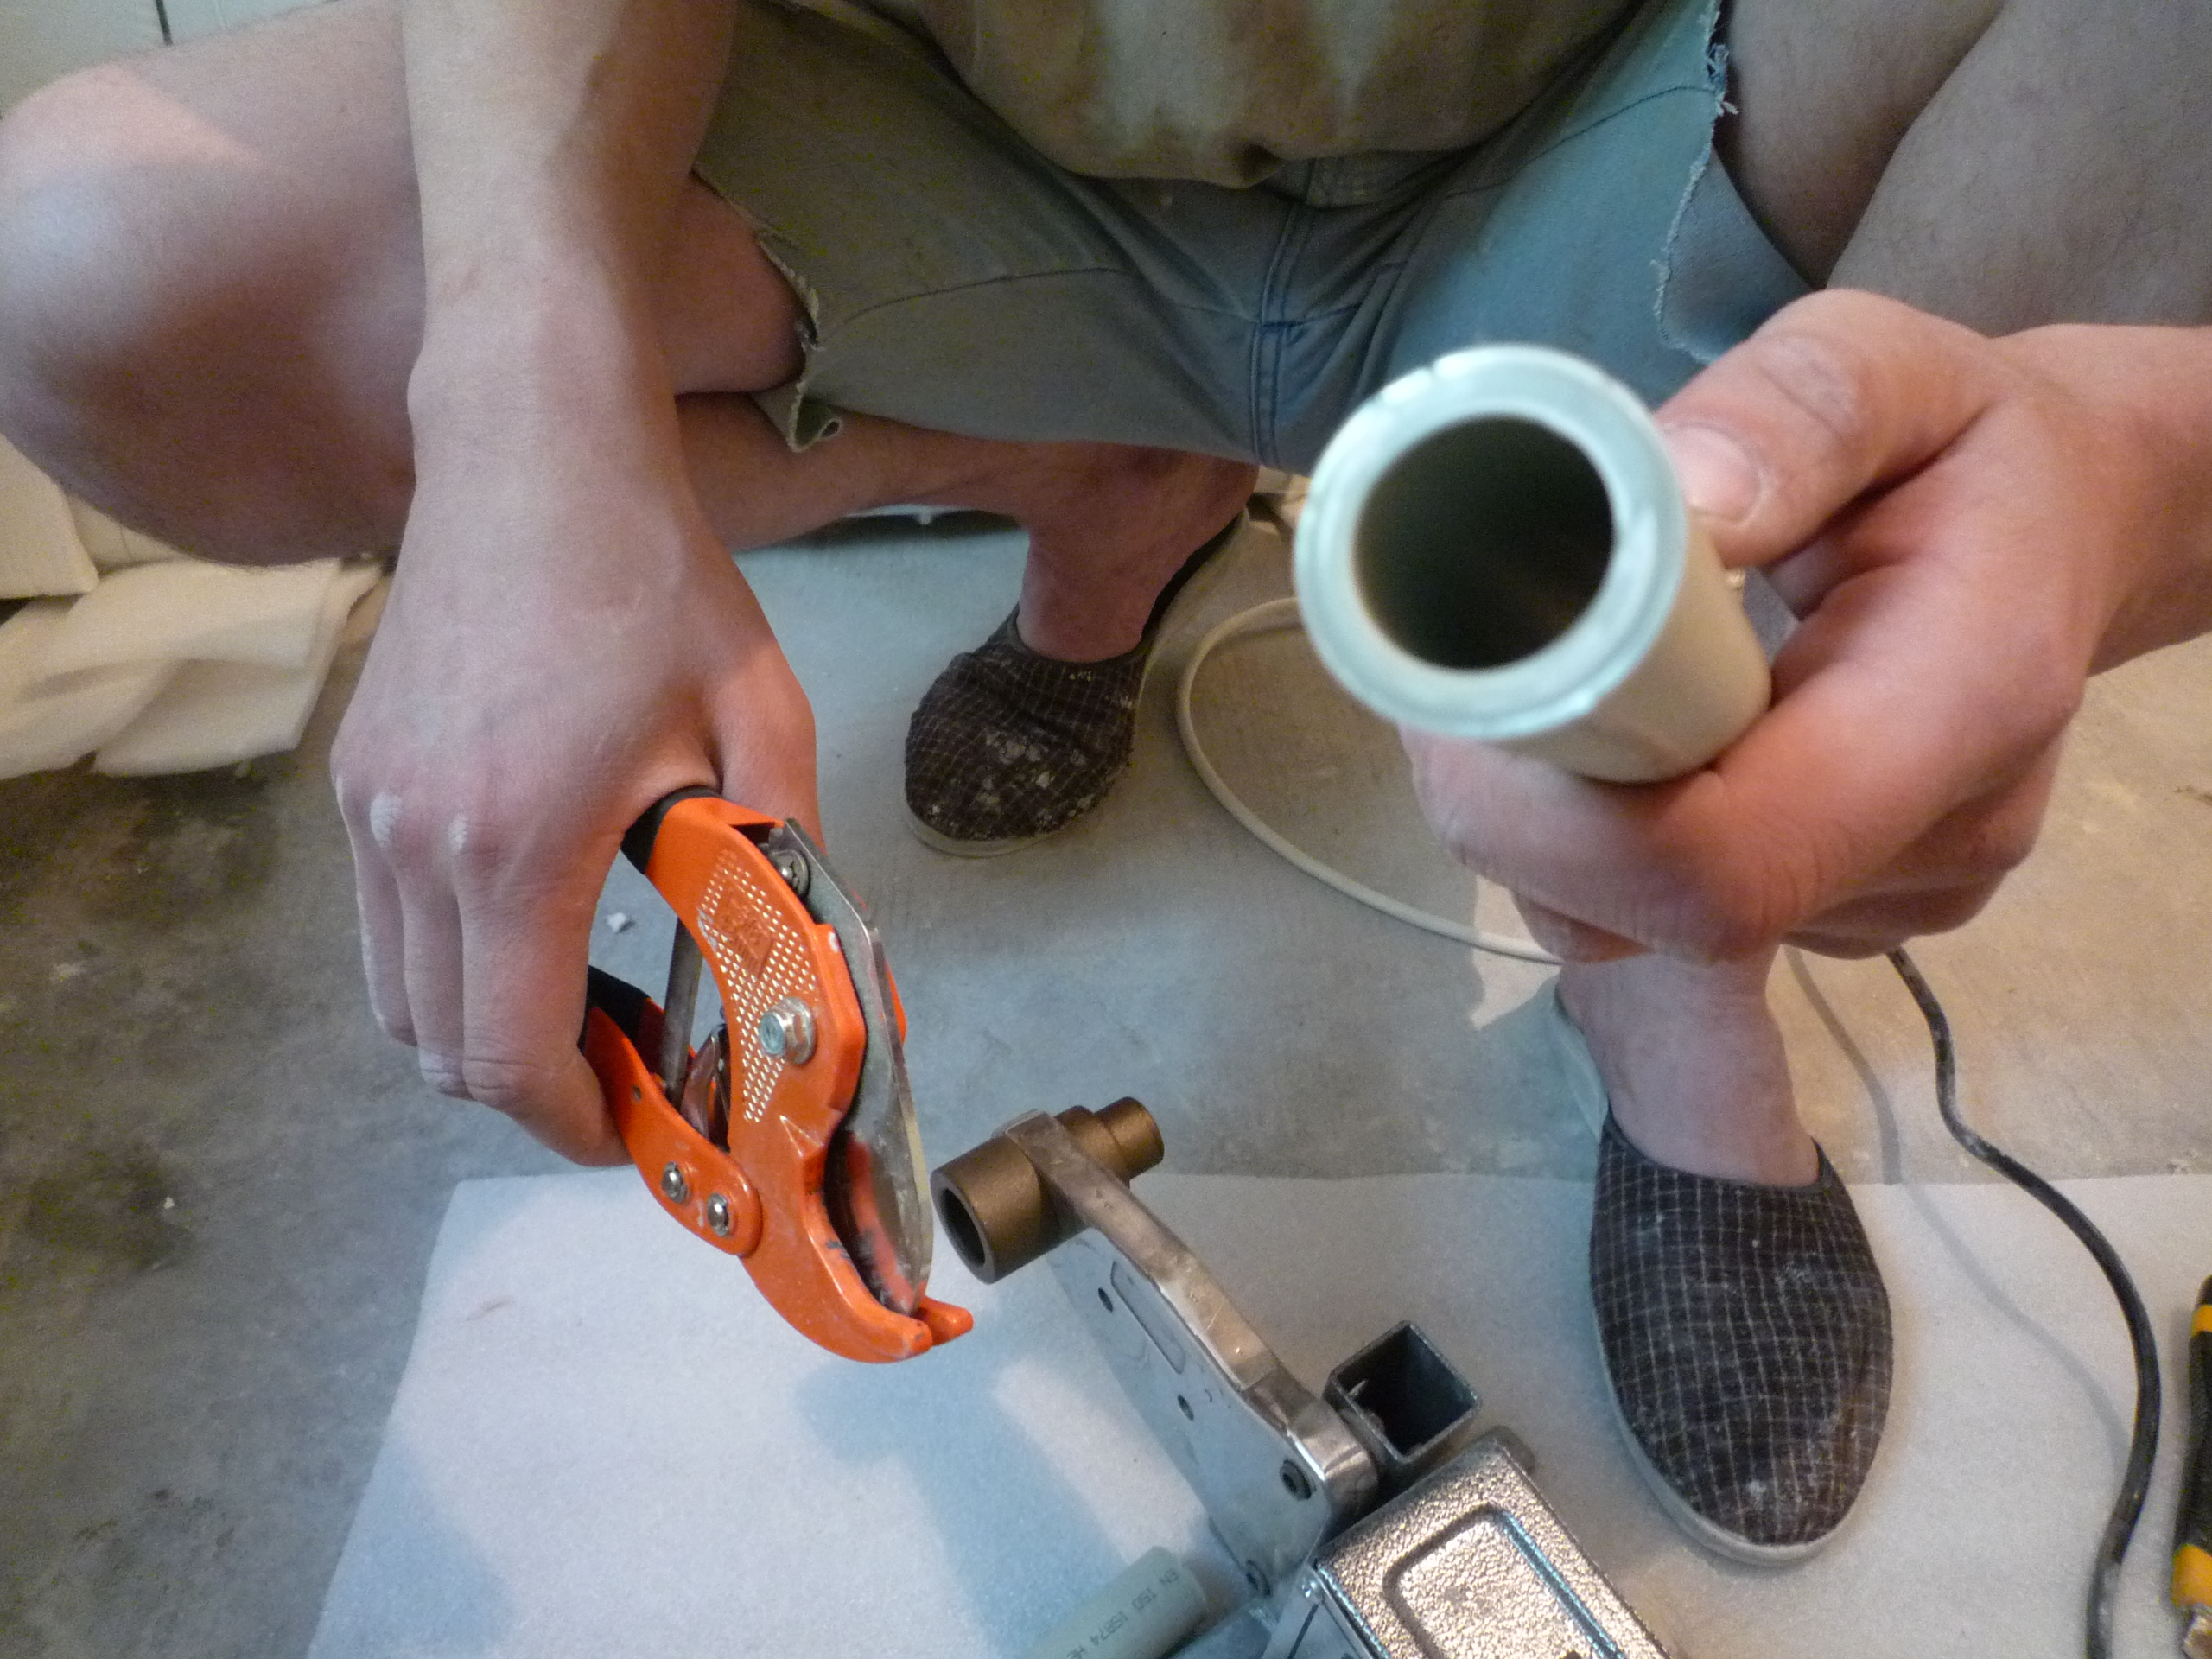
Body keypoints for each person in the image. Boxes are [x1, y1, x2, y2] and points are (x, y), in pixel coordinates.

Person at [1, 0, 2207, 1565]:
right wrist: (516, 412)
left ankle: (1672, 918)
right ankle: (1100, 472)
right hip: (978, 113)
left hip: (1627, 106)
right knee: (93, 261)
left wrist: (2112, 462)